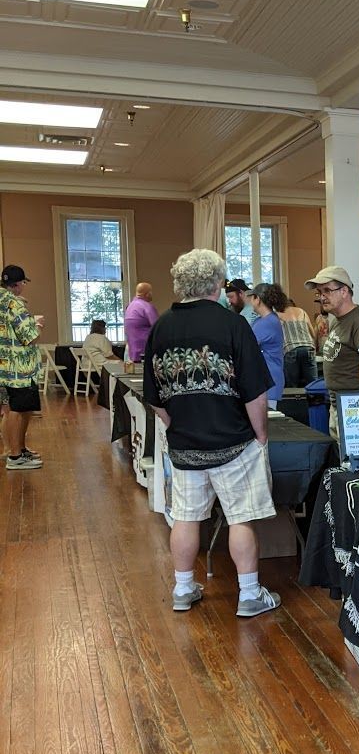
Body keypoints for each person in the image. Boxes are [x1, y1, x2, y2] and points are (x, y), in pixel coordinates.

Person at [142, 248, 280, 617]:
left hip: (185, 444)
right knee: (240, 518)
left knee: (186, 516)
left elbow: (153, 397)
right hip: (234, 441)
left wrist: (178, 427)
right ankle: (249, 595)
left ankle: (183, 588)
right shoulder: (233, 325)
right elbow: (255, 391)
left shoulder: (162, 327)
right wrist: (261, 435)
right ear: (218, 283)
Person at [305, 265, 359, 438]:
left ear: (344, 291)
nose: (322, 297)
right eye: (319, 292)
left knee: (357, 462)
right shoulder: (336, 320)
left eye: (327, 290)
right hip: (337, 403)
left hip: (357, 407)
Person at [0, 263, 42, 470]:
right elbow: (29, 336)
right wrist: (37, 324)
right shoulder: (14, 304)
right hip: (19, 368)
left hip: (4, 365)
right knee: (18, 410)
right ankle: (16, 457)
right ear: (18, 284)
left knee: (14, 409)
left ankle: (18, 449)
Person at [247, 284, 286, 407]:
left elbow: (247, 346)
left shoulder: (266, 322)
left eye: (252, 298)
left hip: (268, 381)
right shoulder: (268, 319)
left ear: (257, 299)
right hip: (270, 379)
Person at [277, 297, 318, 386]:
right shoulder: (302, 312)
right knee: (313, 382)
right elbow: (313, 334)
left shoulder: (279, 314)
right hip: (308, 347)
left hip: (291, 348)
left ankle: (294, 400)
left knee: (292, 384)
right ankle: (316, 399)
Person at [123, 282, 158, 362]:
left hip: (131, 353)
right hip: (145, 352)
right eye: (151, 292)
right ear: (147, 294)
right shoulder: (146, 307)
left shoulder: (130, 306)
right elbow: (158, 328)